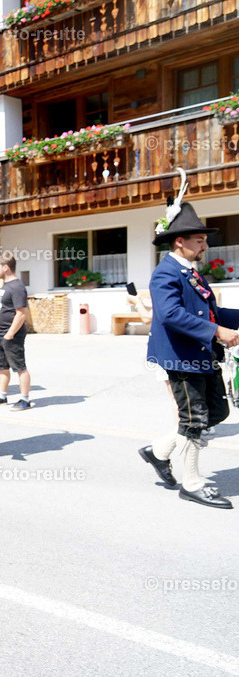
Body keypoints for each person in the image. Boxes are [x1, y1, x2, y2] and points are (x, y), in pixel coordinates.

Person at [140, 188, 239, 509]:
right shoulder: (165, 273)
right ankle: (192, 483)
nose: (205, 245)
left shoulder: (192, 273)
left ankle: (158, 452)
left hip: (201, 354)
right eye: (200, 240)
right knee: (195, 419)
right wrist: (217, 331)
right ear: (180, 241)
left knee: (217, 412)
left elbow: (211, 312)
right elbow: (170, 315)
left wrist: (228, 322)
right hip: (181, 357)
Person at [0, 253, 31, 410]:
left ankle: (25, 399)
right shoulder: (4, 286)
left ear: (6, 268)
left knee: (19, 367)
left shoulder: (17, 287)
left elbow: (21, 314)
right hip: (0, 334)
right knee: (2, 367)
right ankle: (1, 396)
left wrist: (10, 333)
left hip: (11, 335)